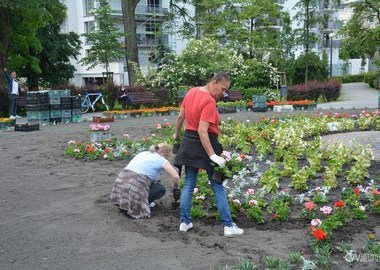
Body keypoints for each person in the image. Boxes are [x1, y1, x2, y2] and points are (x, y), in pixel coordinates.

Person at [173, 72, 244, 237]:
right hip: (207, 144)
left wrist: (176, 135)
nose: (223, 93)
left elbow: (180, 117)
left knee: (189, 184)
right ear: (214, 82)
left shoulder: (191, 92)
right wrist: (212, 155)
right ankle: (228, 226)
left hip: (189, 143)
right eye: (223, 89)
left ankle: (185, 222)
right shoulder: (209, 101)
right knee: (217, 185)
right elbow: (202, 131)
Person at [110, 143, 180, 219]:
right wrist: (176, 189)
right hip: (135, 183)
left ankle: (124, 202)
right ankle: (139, 205)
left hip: (121, 183)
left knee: (148, 183)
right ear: (165, 154)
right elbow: (176, 177)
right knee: (160, 189)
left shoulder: (143, 153)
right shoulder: (161, 160)